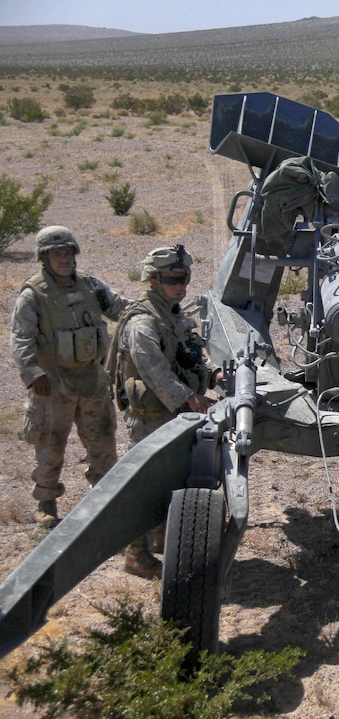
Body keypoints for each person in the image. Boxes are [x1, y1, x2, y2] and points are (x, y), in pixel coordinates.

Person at [109, 244, 220, 577]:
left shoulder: (172, 314)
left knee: (174, 480)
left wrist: (213, 373)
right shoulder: (142, 322)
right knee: (144, 486)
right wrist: (190, 398)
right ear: (154, 280)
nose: (180, 285)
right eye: (172, 279)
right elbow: (154, 371)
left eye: (184, 278)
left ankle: (162, 538)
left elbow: (191, 352)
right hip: (151, 417)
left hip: (172, 413)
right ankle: (136, 555)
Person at [11, 226, 132, 528]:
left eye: (67, 252)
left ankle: (103, 499)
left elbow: (121, 309)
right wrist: (33, 373)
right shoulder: (33, 295)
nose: (63, 259)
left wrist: (151, 310)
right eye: (56, 254)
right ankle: (47, 502)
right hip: (52, 384)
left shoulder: (91, 286)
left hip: (92, 380)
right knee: (51, 447)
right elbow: (21, 339)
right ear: (44, 258)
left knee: (102, 443)